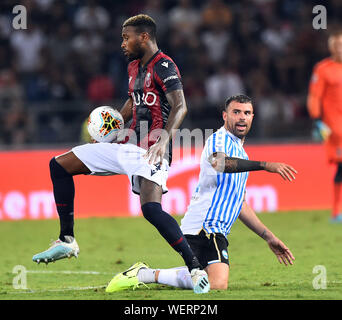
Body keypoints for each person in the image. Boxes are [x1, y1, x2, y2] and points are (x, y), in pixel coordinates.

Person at [32, 14, 209, 294]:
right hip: (125, 145)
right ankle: (67, 239)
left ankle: (195, 267)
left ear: (144, 37)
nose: (123, 43)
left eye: (126, 37)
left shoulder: (164, 65)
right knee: (59, 165)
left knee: (151, 210)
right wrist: (111, 126)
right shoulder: (133, 67)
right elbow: (132, 101)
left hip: (152, 148)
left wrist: (163, 141)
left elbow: (181, 106)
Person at [106, 94, 296, 291]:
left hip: (214, 229)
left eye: (247, 113)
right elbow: (220, 162)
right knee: (217, 284)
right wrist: (266, 165)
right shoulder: (219, 139)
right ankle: (144, 274)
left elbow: (239, 204)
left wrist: (268, 236)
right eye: (236, 112)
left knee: (205, 280)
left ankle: (146, 273)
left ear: (252, 117)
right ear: (225, 116)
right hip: (206, 226)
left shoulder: (241, 153)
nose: (242, 117)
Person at [307, 29, 342, 223]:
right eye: (336, 45)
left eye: (341, 45)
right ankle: (337, 212)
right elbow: (315, 96)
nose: (339, 49)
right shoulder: (323, 69)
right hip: (336, 129)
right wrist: (316, 120)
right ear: (331, 48)